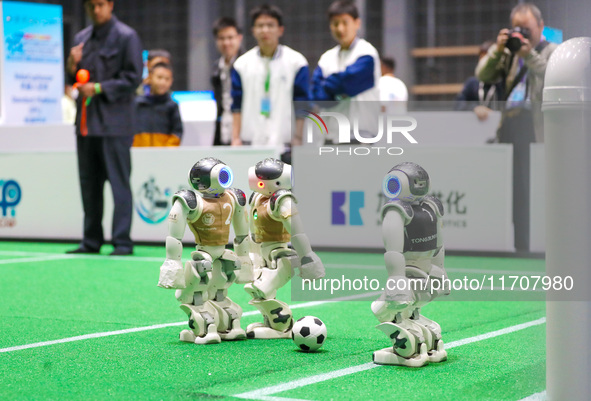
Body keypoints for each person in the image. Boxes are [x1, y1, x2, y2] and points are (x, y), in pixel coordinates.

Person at [475, 3, 557, 251]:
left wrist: (527, 54)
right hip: (508, 124)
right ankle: (515, 244)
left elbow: (550, 74)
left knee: (529, 189)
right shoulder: (508, 54)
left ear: (540, 27)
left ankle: (535, 245)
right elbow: (483, 74)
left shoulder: (553, 51)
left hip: (533, 127)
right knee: (509, 189)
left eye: (526, 28)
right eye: (517, 28)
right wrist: (498, 50)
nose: (522, 33)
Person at [66, 0, 143, 256]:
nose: (95, 10)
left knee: (119, 184)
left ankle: (122, 242)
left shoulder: (127, 36)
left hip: (115, 125)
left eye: (100, 4)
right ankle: (91, 241)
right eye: (90, 5)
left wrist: (99, 88)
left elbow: (132, 78)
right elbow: (72, 80)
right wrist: (72, 63)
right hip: (86, 125)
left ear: (110, 4)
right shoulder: (81, 38)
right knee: (89, 185)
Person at [158, 158, 252, 344]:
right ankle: (213, 327)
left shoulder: (233, 197)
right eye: (221, 175)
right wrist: (173, 261)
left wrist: (244, 257)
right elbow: (174, 235)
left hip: (222, 253)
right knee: (198, 293)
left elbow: (242, 230)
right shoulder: (192, 201)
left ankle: (226, 326)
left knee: (218, 291)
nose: (225, 178)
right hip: (206, 254)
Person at [372, 162, 448, 367]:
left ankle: (410, 345)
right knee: (407, 305)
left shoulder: (398, 210)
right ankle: (426, 341)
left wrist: (397, 278)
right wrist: (439, 268)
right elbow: (438, 244)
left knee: (380, 309)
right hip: (422, 270)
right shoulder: (429, 207)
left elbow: (393, 249)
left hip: (413, 272)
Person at [244, 158, 325, 339]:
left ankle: (283, 326)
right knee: (254, 287)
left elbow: (297, 232)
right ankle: (270, 322)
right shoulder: (257, 197)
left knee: (261, 288)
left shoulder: (282, 200)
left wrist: (307, 256)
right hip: (260, 251)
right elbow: (251, 228)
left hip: (278, 254)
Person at [230, 4, 310, 150]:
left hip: (286, 144)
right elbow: (236, 105)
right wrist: (235, 138)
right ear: (253, 30)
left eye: (270, 25)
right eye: (260, 25)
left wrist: (298, 137)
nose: (265, 30)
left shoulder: (296, 62)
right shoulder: (241, 64)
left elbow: (302, 102)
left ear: (280, 30)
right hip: (250, 143)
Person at [311, 0, 381, 142]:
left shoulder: (367, 53)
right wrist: (337, 88)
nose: (340, 29)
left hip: (360, 135)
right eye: (335, 24)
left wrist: (330, 85)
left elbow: (346, 85)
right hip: (330, 137)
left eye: (345, 22)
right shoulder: (326, 58)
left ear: (357, 23)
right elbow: (317, 95)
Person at [133, 63, 183, 147]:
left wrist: (167, 150)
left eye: (167, 79)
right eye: (159, 77)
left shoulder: (172, 106)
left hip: (164, 156)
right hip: (139, 154)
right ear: (150, 77)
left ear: (171, 81)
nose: (163, 82)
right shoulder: (138, 104)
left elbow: (177, 132)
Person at [211, 17, 243, 146]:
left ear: (239, 38)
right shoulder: (216, 68)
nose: (226, 43)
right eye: (221, 38)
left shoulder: (247, 65)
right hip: (223, 128)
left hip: (244, 131)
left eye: (230, 38)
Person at [455, 41, 503, 122]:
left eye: (487, 59)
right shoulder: (472, 83)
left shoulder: (503, 83)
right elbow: (458, 105)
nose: (483, 62)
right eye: (481, 58)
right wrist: (475, 108)